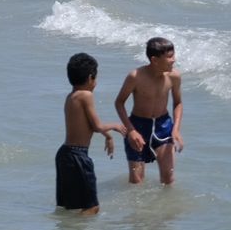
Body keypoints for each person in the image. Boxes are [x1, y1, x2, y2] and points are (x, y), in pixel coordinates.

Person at [56, 52, 121, 214]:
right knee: (92, 207)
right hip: (78, 156)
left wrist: (108, 136)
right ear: (91, 78)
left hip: (65, 154)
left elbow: (88, 126)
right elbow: (97, 126)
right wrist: (116, 126)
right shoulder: (86, 95)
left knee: (68, 208)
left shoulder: (71, 96)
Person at [114, 37, 184, 187]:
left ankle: (167, 203)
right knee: (136, 181)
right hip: (138, 126)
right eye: (169, 57)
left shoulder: (174, 76)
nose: (174, 60)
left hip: (163, 125)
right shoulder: (135, 77)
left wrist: (176, 129)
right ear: (155, 60)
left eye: (173, 55)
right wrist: (131, 131)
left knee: (168, 178)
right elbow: (119, 103)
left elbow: (178, 102)